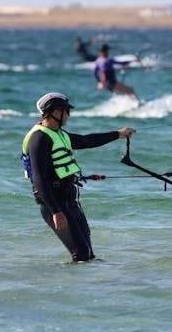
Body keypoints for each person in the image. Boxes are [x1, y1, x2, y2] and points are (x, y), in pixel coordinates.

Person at [21, 92, 136, 262]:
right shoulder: (39, 139)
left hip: (70, 201)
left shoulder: (60, 134)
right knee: (81, 254)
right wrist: (56, 211)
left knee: (88, 254)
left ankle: (86, 286)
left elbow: (86, 140)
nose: (69, 115)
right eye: (67, 111)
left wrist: (118, 134)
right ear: (56, 112)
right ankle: (56, 283)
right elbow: (39, 179)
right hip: (55, 205)